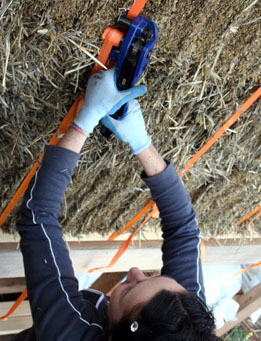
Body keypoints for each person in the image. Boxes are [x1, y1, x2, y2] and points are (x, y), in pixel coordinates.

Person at [14, 68, 218, 340]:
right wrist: (142, 142)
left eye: (128, 290)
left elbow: (37, 216)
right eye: (150, 276)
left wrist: (83, 122)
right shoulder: (184, 323)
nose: (133, 272)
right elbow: (183, 228)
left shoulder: (68, 335)